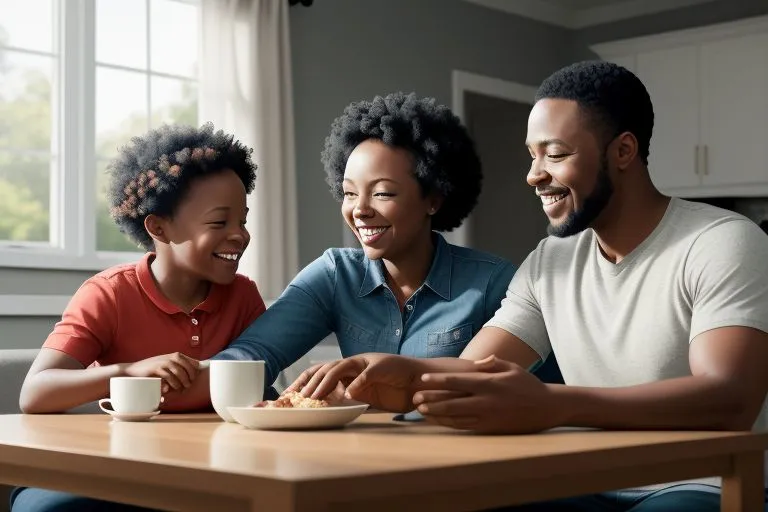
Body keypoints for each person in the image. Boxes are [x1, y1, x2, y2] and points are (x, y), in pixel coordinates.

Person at [293, 62, 768, 511]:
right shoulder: (551, 259)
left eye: (555, 154)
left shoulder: (721, 242)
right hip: (585, 479)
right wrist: (398, 376)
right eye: (532, 155)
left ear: (623, 151)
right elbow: (473, 370)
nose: (534, 174)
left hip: (701, 483)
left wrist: (552, 404)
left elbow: (729, 400)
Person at [166, 91, 560, 413]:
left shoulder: (492, 282)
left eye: (383, 192)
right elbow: (255, 352)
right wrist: (166, 382)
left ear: (434, 199)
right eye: (350, 192)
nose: (360, 209)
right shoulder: (336, 274)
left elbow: (492, 386)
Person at [12, 123, 266, 511]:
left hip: (214, 470)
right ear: (158, 227)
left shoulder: (243, 295)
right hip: (120, 470)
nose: (240, 235)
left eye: (243, 221)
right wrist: (128, 372)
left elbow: (260, 389)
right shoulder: (108, 294)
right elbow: (36, 392)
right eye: (219, 222)